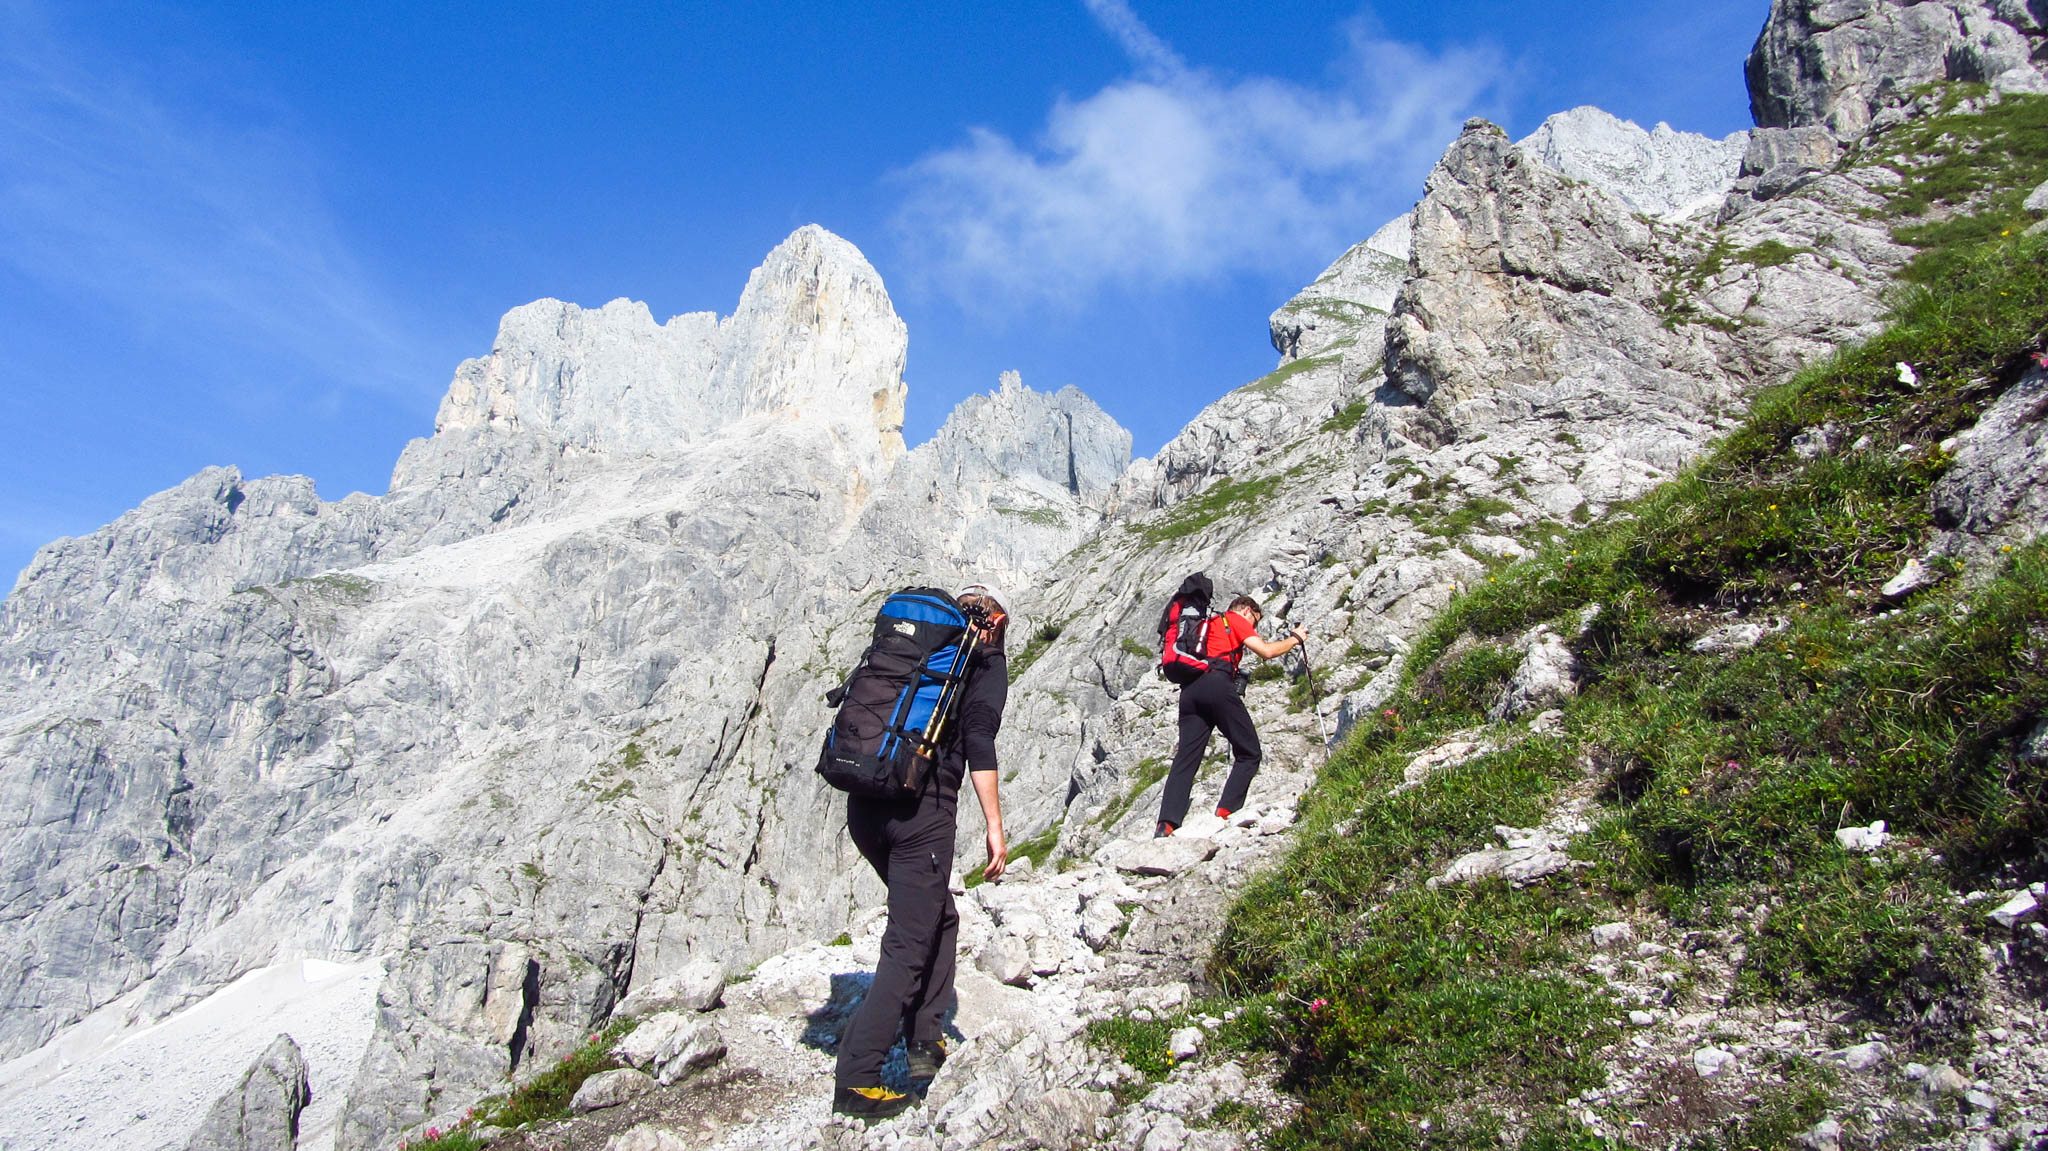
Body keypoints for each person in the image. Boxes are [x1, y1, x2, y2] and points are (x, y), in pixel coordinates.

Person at [833, 584, 1010, 1121]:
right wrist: (995, 827)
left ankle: (924, 1040)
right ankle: (858, 1076)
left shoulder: (915, 650)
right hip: (919, 817)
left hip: (865, 802)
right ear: (997, 623)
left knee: (940, 916)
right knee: (909, 942)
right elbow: (979, 743)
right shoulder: (981, 661)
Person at [1154, 594, 1304, 838]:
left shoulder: (1207, 624)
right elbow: (1266, 651)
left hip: (1190, 692)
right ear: (1246, 610)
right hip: (1216, 684)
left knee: (1186, 759)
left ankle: (1166, 825)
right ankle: (1226, 813)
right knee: (1249, 752)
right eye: (1254, 621)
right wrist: (1295, 639)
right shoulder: (1235, 619)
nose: (1253, 628)